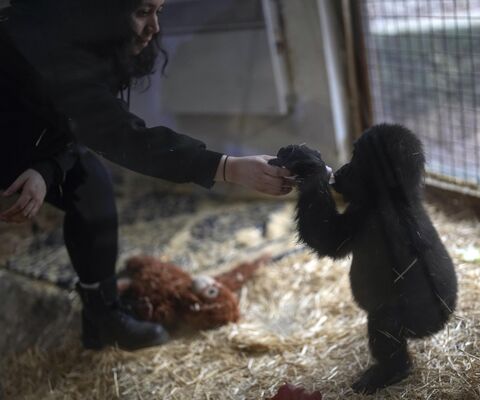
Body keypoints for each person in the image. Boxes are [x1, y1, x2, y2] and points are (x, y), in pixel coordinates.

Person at [0, 0, 293, 351]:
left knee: (91, 182)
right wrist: (228, 167)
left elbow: (78, 125)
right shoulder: (44, 48)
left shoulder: (88, 47)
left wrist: (48, 168)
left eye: (159, 11)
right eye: (142, 12)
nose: (154, 27)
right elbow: (124, 137)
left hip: (28, 138)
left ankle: (101, 314)